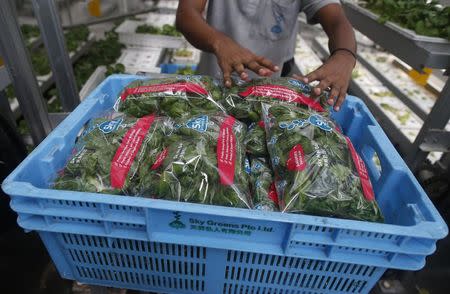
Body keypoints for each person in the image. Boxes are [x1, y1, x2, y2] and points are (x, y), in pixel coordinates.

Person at [176, 0, 357, 111]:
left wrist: (345, 55)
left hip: (271, 96)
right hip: (214, 88)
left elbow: (336, 20)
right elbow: (187, 14)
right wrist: (219, 42)